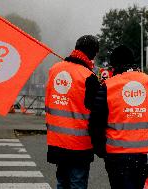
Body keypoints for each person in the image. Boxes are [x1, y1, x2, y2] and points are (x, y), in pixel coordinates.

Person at [89, 45, 148, 189]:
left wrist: (101, 150)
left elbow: (95, 124)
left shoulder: (109, 86)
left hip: (117, 156)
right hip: (145, 155)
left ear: (114, 65)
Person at [45, 35, 100, 189]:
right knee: (77, 183)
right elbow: (96, 113)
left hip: (56, 140)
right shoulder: (88, 77)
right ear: (93, 54)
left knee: (62, 182)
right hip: (79, 145)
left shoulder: (54, 70)